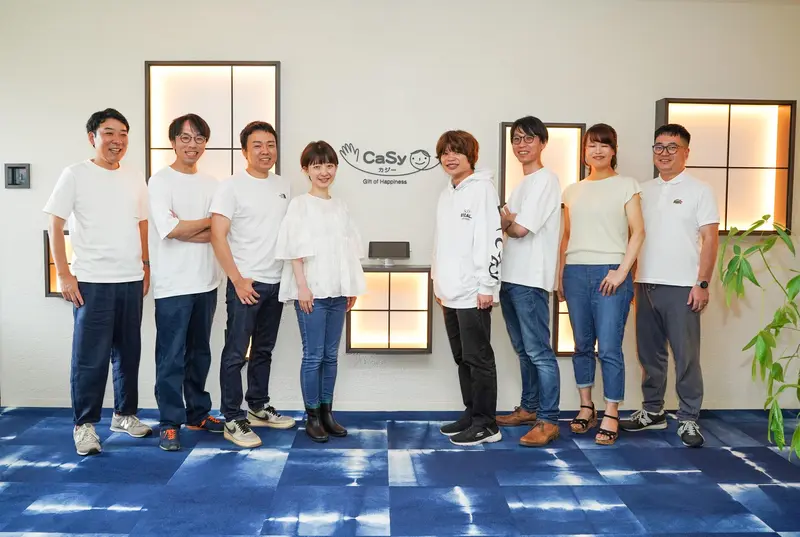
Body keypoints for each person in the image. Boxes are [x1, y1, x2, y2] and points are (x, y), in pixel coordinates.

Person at [43, 108, 152, 456]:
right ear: (93, 137)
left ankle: (124, 414)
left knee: (129, 352)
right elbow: (55, 223)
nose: (117, 140)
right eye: (109, 133)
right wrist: (64, 274)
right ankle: (85, 425)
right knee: (90, 358)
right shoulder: (75, 174)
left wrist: (145, 265)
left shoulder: (134, 176)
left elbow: (142, 223)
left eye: (123, 134)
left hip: (131, 278)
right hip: (91, 281)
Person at [620, 124, 719, 448]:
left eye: (672, 147)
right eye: (659, 147)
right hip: (644, 283)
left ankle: (688, 417)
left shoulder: (699, 190)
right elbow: (633, 236)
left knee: (686, 356)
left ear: (686, 152)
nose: (664, 153)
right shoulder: (642, 190)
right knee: (649, 355)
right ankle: (653, 411)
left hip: (682, 287)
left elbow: (710, 239)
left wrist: (702, 283)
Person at [210, 121, 296, 449]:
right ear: (244, 151)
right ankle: (232, 417)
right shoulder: (230, 186)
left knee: (264, 350)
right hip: (246, 283)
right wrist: (237, 279)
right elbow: (218, 236)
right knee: (235, 353)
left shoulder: (284, 185)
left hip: (276, 282)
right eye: (257, 145)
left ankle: (258, 406)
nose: (265, 151)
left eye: (270, 144)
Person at [559, 123, 645, 446]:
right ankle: (586, 406)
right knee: (582, 345)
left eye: (604, 145)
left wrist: (622, 272)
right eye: (591, 145)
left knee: (609, 347)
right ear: (584, 152)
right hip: (575, 272)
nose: (597, 151)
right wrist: (560, 274)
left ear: (613, 151)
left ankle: (611, 412)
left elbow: (639, 232)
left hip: (611, 273)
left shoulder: (627, 185)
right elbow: (567, 236)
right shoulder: (572, 191)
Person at [275, 141, 366, 443]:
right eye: (317, 166)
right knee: (313, 356)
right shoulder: (300, 205)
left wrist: (350, 286)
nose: (324, 171)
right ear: (306, 170)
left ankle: (327, 413)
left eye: (329, 165)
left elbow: (348, 250)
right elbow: (294, 250)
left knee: (330, 356)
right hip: (311, 293)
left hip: (337, 293)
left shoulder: (340, 206)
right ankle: (312, 416)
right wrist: (302, 287)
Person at [148, 114, 225, 451]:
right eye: (185, 138)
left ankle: (198, 413)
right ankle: (169, 423)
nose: (192, 144)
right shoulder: (160, 181)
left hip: (206, 282)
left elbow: (221, 232)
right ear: (173, 141)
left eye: (199, 138)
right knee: (170, 358)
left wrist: (189, 228)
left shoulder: (213, 184)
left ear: (205, 143)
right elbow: (170, 230)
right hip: (173, 285)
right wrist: (206, 224)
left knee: (200, 354)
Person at [433, 130, 504, 446]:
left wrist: (487, 285)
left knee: (479, 358)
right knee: (462, 357)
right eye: (445, 152)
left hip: (474, 292)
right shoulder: (447, 192)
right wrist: (437, 281)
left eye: (457, 151)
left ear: (470, 156)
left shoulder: (482, 190)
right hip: (449, 292)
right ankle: (472, 412)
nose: (450, 157)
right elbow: (441, 241)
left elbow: (491, 239)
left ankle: (487, 424)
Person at [495, 116, 563, 447]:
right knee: (523, 350)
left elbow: (520, 229)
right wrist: (508, 221)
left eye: (529, 138)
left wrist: (508, 221)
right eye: (517, 139)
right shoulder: (522, 184)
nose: (522, 145)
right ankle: (528, 408)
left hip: (530, 279)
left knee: (539, 352)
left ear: (543, 143)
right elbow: (505, 222)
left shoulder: (547, 180)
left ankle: (548, 420)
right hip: (510, 277)